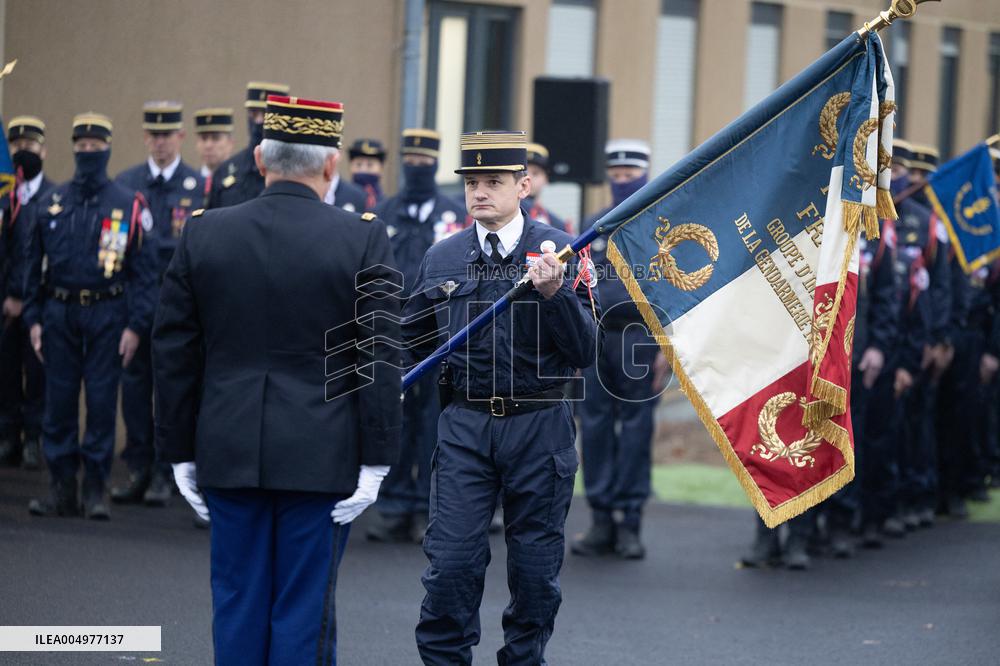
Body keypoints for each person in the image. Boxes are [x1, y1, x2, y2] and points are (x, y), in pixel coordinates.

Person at [153, 94, 401, 665]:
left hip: (227, 443)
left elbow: (174, 352)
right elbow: (381, 355)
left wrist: (178, 449)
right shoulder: (362, 237)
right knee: (302, 608)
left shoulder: (204, 233)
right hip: (321, 452)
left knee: (237, 599)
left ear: (260, 160)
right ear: (331, 166)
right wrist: (378, 457)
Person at [403, 130, 599, 665]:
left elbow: (584, 348)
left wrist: (556, 294)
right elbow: (408, 343)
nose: (480, 192)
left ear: (524, 184)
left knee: (535, 574)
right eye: (472, 182)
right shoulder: (442, 258)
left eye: (494, 182)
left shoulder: (562, 251)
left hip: (539, 426)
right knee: (450, 566)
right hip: (465, 426)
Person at [23, 113, 157, 520]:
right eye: (80, 148)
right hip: (58, 314)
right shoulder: (50, 202)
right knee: (58, 404)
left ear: (108, 150)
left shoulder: (129, 204)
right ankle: (62, 489)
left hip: (108, 314)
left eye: (95, 148)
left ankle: (95, 490)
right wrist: (34, 320)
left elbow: (144, 273)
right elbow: (31, 269)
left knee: (101, 403)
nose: (87, 153)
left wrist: (135, 326)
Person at [366, 128, 468, 544]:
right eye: (412, 161)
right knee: (396, 418)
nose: (418, 167)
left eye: (426, 162)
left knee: (433, 422)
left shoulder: (453, 215)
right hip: (394, 333)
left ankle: (429, 506)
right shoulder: (386, 213)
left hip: (441, 333)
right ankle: (393, 505)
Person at [572, 139, 665, 560]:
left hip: (641, 340)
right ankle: (601, 518)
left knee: (634, 431)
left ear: (645, 174)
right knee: (592, 428)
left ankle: (630, 521)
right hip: (596, 338)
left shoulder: (660, 224)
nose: (623, 182)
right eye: (617, 175)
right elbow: (577, 288)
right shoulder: (593, 225)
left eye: (631, 176)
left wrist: (668, 347)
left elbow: (674, 292)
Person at [112, 101, 204, 507]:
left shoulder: (198, 186)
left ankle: (168, 473)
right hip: (136, 304)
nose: (160, 143)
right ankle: (138, 467)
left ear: (181, 137)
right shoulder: (127, 183)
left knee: (174, 390)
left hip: (181, 306)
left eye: (168, 135)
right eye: (154, 135)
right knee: (134, 389)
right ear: (145, 136)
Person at [0, 115, 52, 469]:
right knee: (5, 372)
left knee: (37, 374)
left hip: (39, 304)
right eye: (16, 147)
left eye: (30, 147)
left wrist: (26, 297)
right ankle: (8, 436)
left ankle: (34, 437)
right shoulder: (4, 198)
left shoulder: (55, 197)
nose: (23, 153)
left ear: (43, 151)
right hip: (4, 304)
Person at [207, 81, 288, 209]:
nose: (258, 121)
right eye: (254, 114)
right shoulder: (226, 171)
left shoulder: (293, 170)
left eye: (266, 114)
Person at [524, 141, 570, 232]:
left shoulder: (557, 225)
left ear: (546, 178)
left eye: (535, 173)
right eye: (522, 173)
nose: (527, 178)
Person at [193, 107, 235, 194]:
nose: (208, 146)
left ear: (230, 143)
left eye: (215, 138)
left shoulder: (240, 182)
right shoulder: (191, 183)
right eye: (204, 139)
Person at [347, 137, 386, 212]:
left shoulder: (387, 206)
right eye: (358, 164)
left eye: (370, 165)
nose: (363, 169)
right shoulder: (340, 198)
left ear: (381, 168)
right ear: (350, 167)